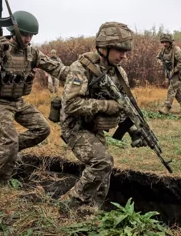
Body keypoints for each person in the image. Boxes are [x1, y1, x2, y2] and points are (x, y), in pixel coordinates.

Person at [0, 10, 70, 185]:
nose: (28, 39)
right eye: (25, 35)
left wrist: (79, 75)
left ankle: (2, 151)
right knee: (10, 141)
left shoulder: (32, 52)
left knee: (42, 129)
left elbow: (56, 68)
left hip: (18, 101)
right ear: (15, 32)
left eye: (31, 36)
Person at [60, 22, 143, 208]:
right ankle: (69, 204)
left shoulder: (119, 73)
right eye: (119, 50)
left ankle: (90, 212)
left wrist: (132, 129)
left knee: (104, 171)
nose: (124, 56)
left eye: (126, 51)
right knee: (101, 162)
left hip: (94, 127)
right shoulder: (80, 68)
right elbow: (71, 105)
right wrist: (107, 105)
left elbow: (122, 107)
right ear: (103, 47)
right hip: (75, 126)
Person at [156, 33, 181, 114]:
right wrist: (161, 63)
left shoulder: (176, 50)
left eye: (166, 42)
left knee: (171, 89)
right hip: (169, 72)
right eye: (163, 42)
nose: (164, 44)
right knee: (177, 91)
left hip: (178, 73)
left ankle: (166, 107)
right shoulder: (163, 50)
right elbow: (158, 58)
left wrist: (173, 71)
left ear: (170, 42)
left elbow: (180, 63)